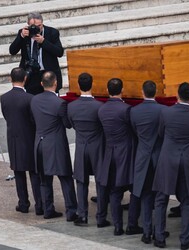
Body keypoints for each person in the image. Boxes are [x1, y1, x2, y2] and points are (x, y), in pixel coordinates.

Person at [153, 82, 189, 250]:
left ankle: (159, 237)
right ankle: (185, 240)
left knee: (161, 199)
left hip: (168, 159)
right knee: (187, 201)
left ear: (177, 94)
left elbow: (160, 133)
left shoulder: (166, 112)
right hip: (187, 159)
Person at [30, 71, 78, 221]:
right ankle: (71, 211)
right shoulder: (60, 103)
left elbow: (33, 120)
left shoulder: (34, 100)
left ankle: (48, 209)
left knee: (44, 180)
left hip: (39, 143)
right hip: (55, 145)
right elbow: (67, 124)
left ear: (41, 84)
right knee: (65, 178)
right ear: (56, 83)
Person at [98, 78, 142, 236]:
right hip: (127, 153)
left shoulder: (101, 110)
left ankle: (118, 226)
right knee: (135, 189)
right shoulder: (126, 109)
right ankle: (132, 224)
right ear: (121, 90)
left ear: (107, 90)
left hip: (110, 153)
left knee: (115, 192)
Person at [67, 73, 111, 228]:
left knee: (81, 181)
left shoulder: (71, 107)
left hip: (81, 146)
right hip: (97, 146)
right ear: (92, 84)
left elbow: (71, 123)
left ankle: (83, 215)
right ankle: (101, 217)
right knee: (100, 181)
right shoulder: (99, 106)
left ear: (79, 86)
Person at [0, 67, 42, 215]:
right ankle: (39, 204)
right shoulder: (30, 98)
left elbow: (7, 116)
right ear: (25, 79)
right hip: (29, 138)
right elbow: (33, 120)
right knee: (34, 173)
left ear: (10, 79)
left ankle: (23, 203)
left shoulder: (4, 98)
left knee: (18, 173)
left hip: (14, 139)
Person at [130, 80, 164, 244]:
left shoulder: (134, 111)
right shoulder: (163, 110)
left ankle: (147, 231)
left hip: (143, 157)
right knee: (159, 198)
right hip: (158, 157)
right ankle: (159, 232)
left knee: (145, 196)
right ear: (155, 91)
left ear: (142, 92)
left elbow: (135, 132)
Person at [9, 12, 64, 95]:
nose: (37, 28)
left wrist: (44, 42)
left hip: (47, 73)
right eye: (33, 26)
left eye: (39, 26)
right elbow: (12, 51)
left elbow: (59, 52)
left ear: (42, 23)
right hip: (31, 74)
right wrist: (21, 36)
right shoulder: (23, 33)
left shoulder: (52, 32)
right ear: (28, 25)